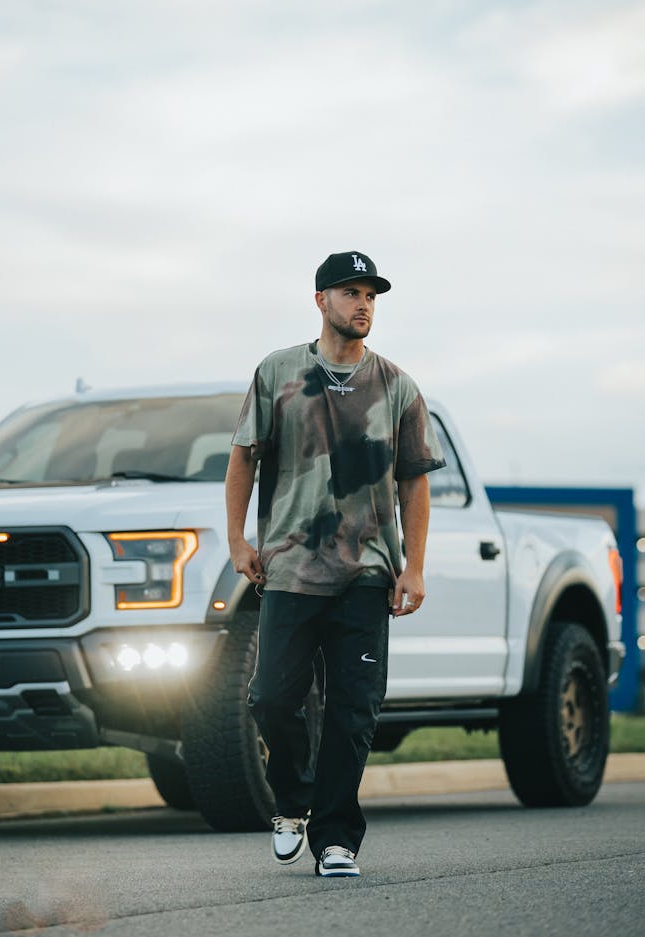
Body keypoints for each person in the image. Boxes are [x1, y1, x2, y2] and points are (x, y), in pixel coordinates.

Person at [225, 250, 445, 877]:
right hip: (290, 570)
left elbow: (415, 482)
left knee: (354, 709)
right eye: (350, 292)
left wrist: (415, 565)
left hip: (368, 573)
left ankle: (337, 840)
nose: (363, 303)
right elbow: (244, 458)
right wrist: (240, 542)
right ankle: (292, 801)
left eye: (371, 294)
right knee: (271, 699)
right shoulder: (278, 373)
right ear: (320, 300)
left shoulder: (398, 385)